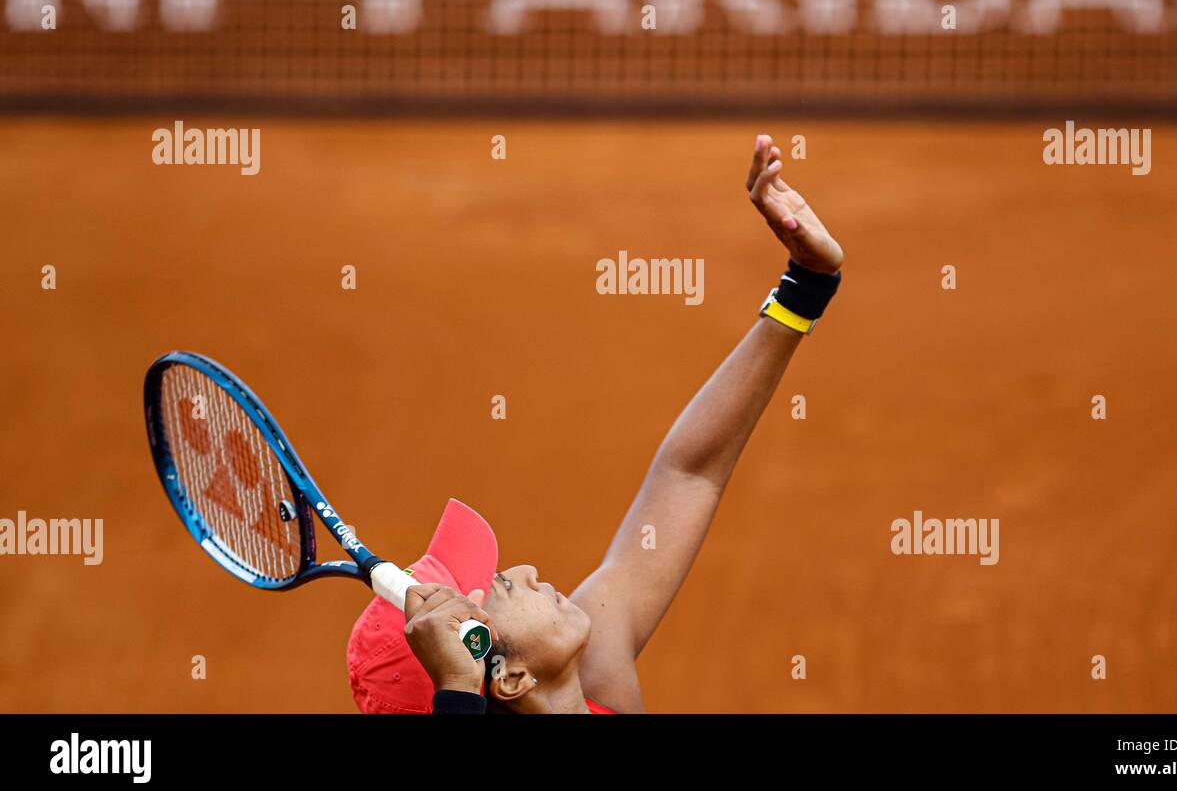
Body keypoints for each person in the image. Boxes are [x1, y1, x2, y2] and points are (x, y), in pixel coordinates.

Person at [348, 135, 844, 713]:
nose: (530, 570)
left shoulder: (598, 680)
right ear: (505, 677)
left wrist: (803, 287)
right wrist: (457, 693)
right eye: (503, 587)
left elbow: (688, 474)